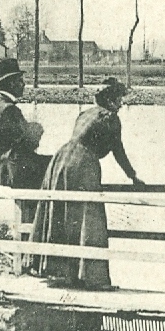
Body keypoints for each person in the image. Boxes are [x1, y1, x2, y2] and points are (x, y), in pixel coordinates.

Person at [33, 77, 145, 289]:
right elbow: (118, 151)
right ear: (111, 100)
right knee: (90, 216)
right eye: (119, 99)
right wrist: (133, 177)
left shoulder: (85, 113)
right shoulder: (110, 118)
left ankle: (60, 272)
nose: (121, 103)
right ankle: (93, 278)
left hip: (61, 159)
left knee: (62, 213)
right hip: (83, 164)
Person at [0, 59, 51, 256]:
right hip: (12, 171)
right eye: (20, 80)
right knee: (56, 169)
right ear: (10, 83)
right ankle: (34, 251)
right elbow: (28, 143)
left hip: (10, 166)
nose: (23, 84)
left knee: (53, 164)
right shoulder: (8, 110)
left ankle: (33, 249)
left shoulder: (0, 105)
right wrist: (37, 129)